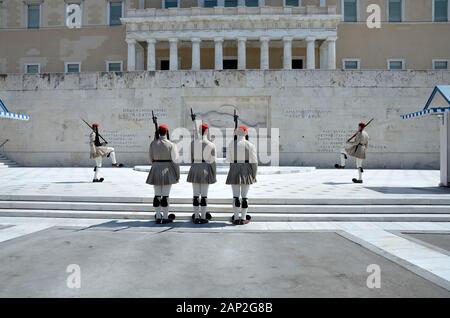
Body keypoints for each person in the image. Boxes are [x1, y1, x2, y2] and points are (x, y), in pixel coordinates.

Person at [146, 124, 180, 224]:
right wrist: (177, 174)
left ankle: (157, 216)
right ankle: (165, 217)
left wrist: (156, 164)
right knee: (165, 196)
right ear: (166, 132)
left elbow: (150, 158)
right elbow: (175, 161)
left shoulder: (153, 144)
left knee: (157, 195)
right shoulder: (171, 144)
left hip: (156, 168)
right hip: (167, 169)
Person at [226, 125, 258, 225]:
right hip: (246, 169)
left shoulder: (231, 144)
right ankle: (243, 218)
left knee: (235, 196)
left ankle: (236, 218)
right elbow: (254, 162)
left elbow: (229, 160)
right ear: (245, 133)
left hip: (234, 168)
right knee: (245, 197)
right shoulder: (250, 145)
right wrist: (254, 174)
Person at [187, 121, 217, 224]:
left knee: (195, 195)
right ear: (207, 131)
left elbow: (190, 158)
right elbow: (213, 161)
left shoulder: (192, 143)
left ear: (199, 131)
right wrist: (213, 173)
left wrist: (195, 165)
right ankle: (203, 217)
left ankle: (196, 216)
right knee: (204, 195)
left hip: (195, 167)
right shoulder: (211, 144)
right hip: (205, 168)